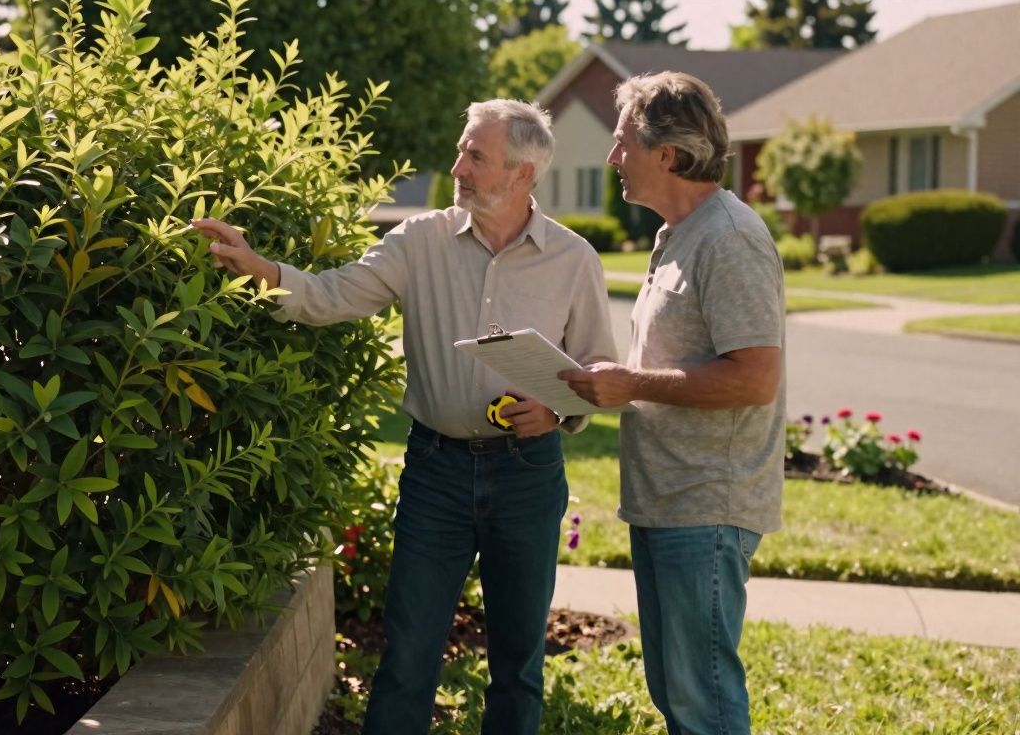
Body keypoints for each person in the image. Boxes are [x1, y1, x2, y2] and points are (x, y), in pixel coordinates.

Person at [192, 99, 616, 735]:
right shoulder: (419, 241)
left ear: (523, 174)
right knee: (408, 656)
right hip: (435, 474)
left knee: (518, 663)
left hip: (529, 476)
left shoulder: (573, 259)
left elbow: (598, 369)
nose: (459, 167)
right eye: (462, 150)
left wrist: (558, 411)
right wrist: (263, 270)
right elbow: (334, 292)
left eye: (477, 156)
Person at [559, 71, 785, 734]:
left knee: (704, 702)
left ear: (669, 154)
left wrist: (630, 384)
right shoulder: (675, 236)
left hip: (707, 504)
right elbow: (669, 367)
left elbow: (754, 378)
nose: (612, 159)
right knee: (678, 694)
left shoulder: (730, 238)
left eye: (623, 141)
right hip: (666, 499)